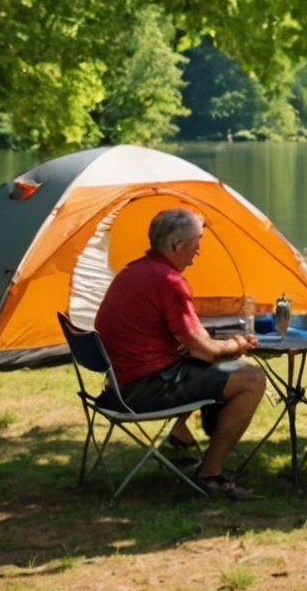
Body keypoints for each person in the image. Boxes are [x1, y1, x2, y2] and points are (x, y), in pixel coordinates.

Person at [95, 207, 269, 500]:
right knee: (252, 378)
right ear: (177, 245)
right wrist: (237, 345)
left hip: (119, 385)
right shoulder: (170, 282)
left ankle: (180, 433)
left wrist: (211, 346)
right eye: (197, 241)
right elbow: (208, 350)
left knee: (200, 361)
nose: (199, 250)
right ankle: (210, 474)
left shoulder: (132, 271)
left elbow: (191, 342)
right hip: (144, 390)